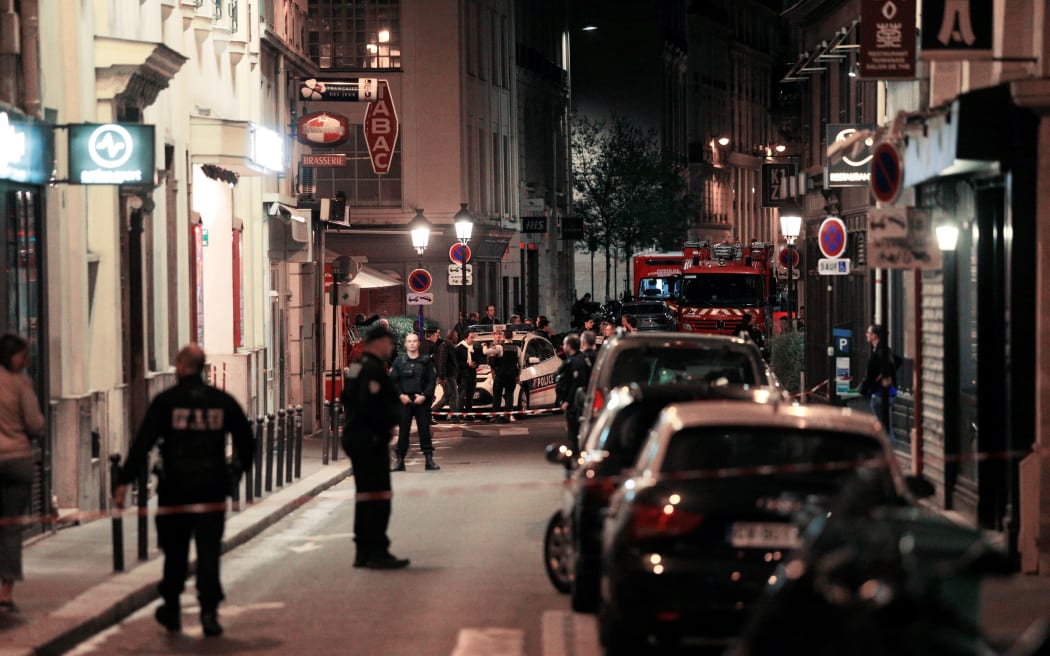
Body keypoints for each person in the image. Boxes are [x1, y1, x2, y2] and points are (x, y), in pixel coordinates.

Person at [113, 344, 255, 637]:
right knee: (208, 552)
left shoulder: (167, 402)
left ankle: (173, 608)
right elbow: (246, 441)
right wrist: (236, 474)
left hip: (175, 489)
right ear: (202, 368)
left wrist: (124, 481)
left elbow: (142, 443)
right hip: (212, 488)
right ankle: (208, 612)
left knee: (175, 551)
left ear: (180, 367)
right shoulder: (221, 401)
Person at [340, 325, 410, 569]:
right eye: (389, 344)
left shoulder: (356, 367)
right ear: (378, 343)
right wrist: (388, 424)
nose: (390, 349)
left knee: (364, 496)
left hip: (355, 438)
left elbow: (345, 397)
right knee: (379, 497)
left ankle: (362, 551)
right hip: (371, 440)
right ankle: (377, 551)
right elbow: (374, 405)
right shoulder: (373, 370)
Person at [0, 334, 45, 612]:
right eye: (23, 356)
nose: (26, 361)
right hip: (16, 461)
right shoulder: (20, 384)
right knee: (11, 527)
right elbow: (35, 424)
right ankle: (6, 589)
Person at [389, 333, 439, 471]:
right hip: (404, 401)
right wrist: (400, 395)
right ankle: (400, 461)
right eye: (409, 341)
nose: (411, 344)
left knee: (424, 430)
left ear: (418, 344)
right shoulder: (399, 362)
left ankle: (429, 459)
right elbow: (393, 381)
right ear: (405, 344)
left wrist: (424, 395)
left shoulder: (426, 361)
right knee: (403, 431)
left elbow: (432, 380)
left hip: (421, 401)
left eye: (414, 341)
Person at [858, 324, 901, 443]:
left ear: (874, 336)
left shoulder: (880, 352)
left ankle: (888, 449)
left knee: (883, 427)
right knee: (885, 425)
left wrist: (864, 389)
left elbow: (873, 375)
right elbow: (898, 361)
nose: (866, 335)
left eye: (868, 333)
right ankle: (889, 447)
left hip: (881, 394)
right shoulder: (883, 350)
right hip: (887, 393)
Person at [555, 334, 592, 449]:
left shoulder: (577, 361)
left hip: (575, 403)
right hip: (574, 402)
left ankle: (576, 454)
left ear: (569, 346)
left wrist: (567, 401)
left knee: (574, 432)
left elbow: (576, 384)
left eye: (565, 344)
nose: (563, 346)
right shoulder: (577, 359)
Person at [483, 329, 520, 423]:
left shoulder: (500, 347)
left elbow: (486, 352)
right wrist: (518, 375)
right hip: (512, 375)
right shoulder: (517, 348)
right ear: (512, 337)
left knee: (497, 396)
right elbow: (520, 364)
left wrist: (484, 346)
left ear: (503, 337)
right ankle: (508, 416)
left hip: (501, 375)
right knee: (509, 395)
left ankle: (495, 416)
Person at [432, 329, 460, 423]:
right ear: (452, 336)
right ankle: (455, 418)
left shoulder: (448, 346)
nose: (457, 337)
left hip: (448, 375)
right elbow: (442, 362)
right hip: (448, 375)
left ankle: (432, 412)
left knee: (447, 395)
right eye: (456, 336)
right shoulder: (446, 346)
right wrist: (442, 377)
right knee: (454, 396)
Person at [456, 329, 481, 422]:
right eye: (471, 337)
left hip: (472, 375)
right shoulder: (459, 348)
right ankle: (460, 415)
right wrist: (467, 364)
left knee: (470, 396)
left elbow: (478, 359)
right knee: (461, 396)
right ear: (466, 337)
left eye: (474, 337)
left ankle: (469, 414)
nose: (473, 339)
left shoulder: (474, 348)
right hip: (463, 376)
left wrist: (475, 364)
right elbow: (457, 363)